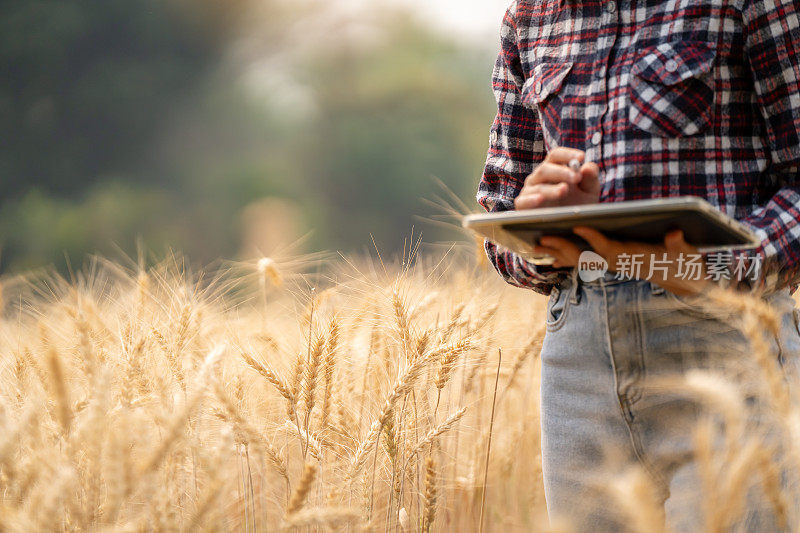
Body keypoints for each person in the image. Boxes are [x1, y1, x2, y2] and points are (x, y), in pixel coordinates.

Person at [477, 0, 800, 529]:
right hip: (577, 355)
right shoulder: (529, 17)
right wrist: (539, 221)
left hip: (728, 344)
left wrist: (713, 272)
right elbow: (498, 212)